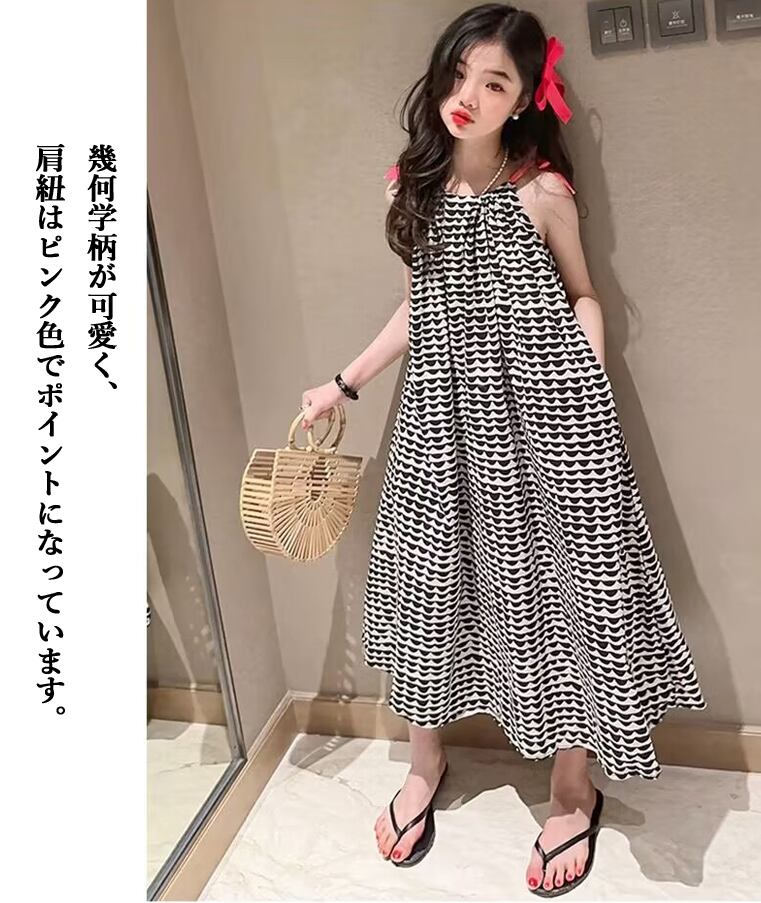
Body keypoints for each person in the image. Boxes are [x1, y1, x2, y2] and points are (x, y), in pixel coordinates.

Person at [299, 3, 706, 896]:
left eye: (493, 83)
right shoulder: (410, 188)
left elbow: (583, 293)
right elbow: (421, 304)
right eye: (457, 75)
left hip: (550, 417)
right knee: (428, 583)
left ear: (523, 99)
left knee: (568, 590)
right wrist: (342, 383)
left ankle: (571, 786)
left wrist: (584, 384)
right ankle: (424, 762)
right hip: (440, 420)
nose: (467, 96)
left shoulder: (541, 190)